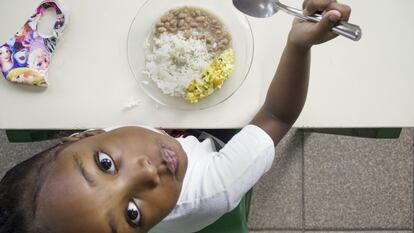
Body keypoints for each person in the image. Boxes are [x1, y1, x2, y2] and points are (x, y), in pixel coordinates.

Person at [0, 0, 353, 232]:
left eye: (105, 164)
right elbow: (276, 114)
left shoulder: (101, 133)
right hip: (212, 143)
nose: (148, 172)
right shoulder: (214, 189)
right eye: (132, 215)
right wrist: (299, 44)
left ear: (82, 135)